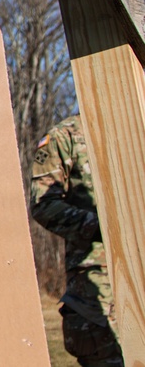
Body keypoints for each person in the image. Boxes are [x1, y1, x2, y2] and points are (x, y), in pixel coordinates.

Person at [30, 115, 124, 366]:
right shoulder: (66, 136)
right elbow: (44, 205)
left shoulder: (137, 125)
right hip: (99, 291)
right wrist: (106, 227)